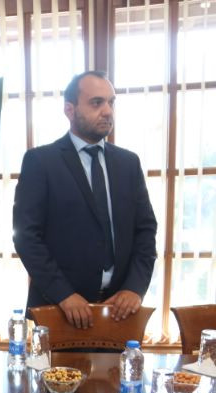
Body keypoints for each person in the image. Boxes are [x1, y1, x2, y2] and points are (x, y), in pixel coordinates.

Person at [13, 71, 157, 328]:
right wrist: (64, 295)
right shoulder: (41, 161)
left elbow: (145, 230)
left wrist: (134, 288)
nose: (107, 111)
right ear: (70, 110)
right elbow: (26, 237)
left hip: (119, 310)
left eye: (111, 102)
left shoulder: (128, 163)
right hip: (58, 310)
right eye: (96, 102)